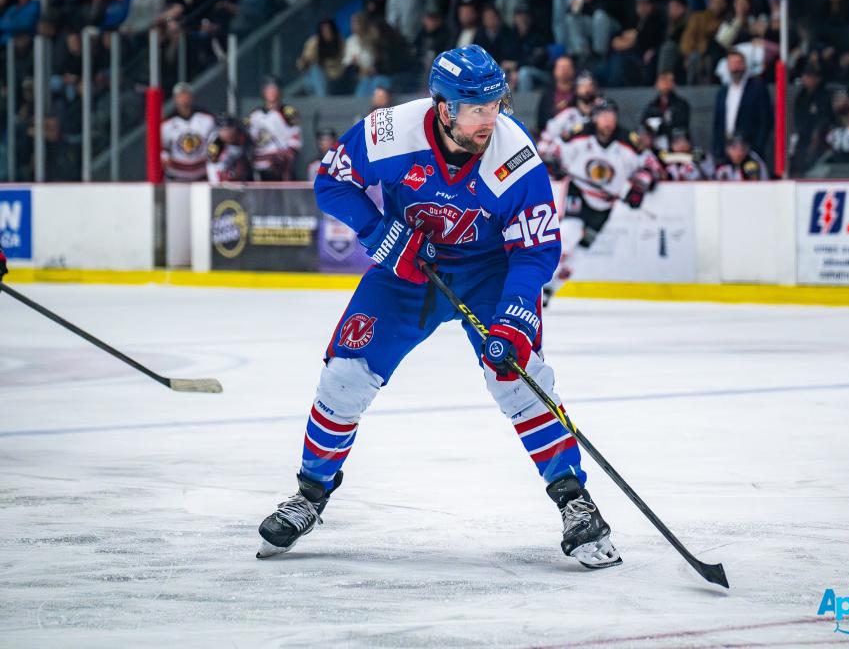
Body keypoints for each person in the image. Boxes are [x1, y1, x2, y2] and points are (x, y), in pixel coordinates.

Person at [256, 44, 621, 570]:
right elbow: (332, 183)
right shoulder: (390, 132)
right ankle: (310, 494)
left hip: (488, 273)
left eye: (496, 104)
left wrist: (517, 314)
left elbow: (536, 248)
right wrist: (382, 234)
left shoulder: (514, 157)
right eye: (477, 108)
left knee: (519, 377)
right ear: (444, 108)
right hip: (407, 270)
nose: (490, 118)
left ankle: (574, 500)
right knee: (344, 375)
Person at [541, 97, 665, 305]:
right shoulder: (579, 134)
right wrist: (553, 163)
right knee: (568, 234)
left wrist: (639, 187)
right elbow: (554, 151)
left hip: (604, 204)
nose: (608, 121)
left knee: (581, 250)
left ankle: (551, 289)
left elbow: (652, 167)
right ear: (595, 117)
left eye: (611, 116)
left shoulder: (629, 141)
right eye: (603, 116)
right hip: (579, 191)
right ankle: (539, 282)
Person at [711, 50, 773, 161]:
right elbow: (718, 123)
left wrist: (757, 148)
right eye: (732, 64)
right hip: (726, 151)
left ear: (744, 65)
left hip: (749, 150)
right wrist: (717, 148)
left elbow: (765, 120)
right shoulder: (723, 91)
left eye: (738, 63)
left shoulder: (757, 88)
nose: (735, 68)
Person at [537, 71, 599, 160]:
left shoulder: (602, 114)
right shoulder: (567, 113)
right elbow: (545, 142)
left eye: (590, 85)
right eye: (583, 86)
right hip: (568, 164)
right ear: (576, 89)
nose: (587, 89)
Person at [247, 79, 302, 181]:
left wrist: (287, 157)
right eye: (268, 89)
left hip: (280, 164)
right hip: (260, 164)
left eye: (274, 89)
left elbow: (295, 141)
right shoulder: (255, 114)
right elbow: (252, 141)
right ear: (263, 92)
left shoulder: (288, 112)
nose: (271, 92)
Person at [161, 83, 216, 181]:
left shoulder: (207, 119)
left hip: (202, 175)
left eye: (186, 95)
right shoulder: (166, 124)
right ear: (175, 99)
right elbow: (162, 149)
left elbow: (215, 143)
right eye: (180, 96)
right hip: (177, 176)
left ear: (192, 97)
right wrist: (165, 157)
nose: (184, 99)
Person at [640, 70, 691, 152]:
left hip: (675, 142)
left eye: (667, 81)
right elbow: (645, 125)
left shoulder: (681, 105)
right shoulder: (651, 106)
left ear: (673, 84)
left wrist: (660, 124)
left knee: (681, 142)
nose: (664, 84)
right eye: (662, 81)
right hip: (655, 143)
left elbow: (681, 126)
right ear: (656, 84)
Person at [206, 113, 253, 183]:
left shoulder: (242, 137)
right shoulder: (215, 142)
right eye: (223, 130)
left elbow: (249, 157)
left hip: (240, 167)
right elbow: (212, 164)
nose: (227, 132)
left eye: (229, 128)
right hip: (222, 169)